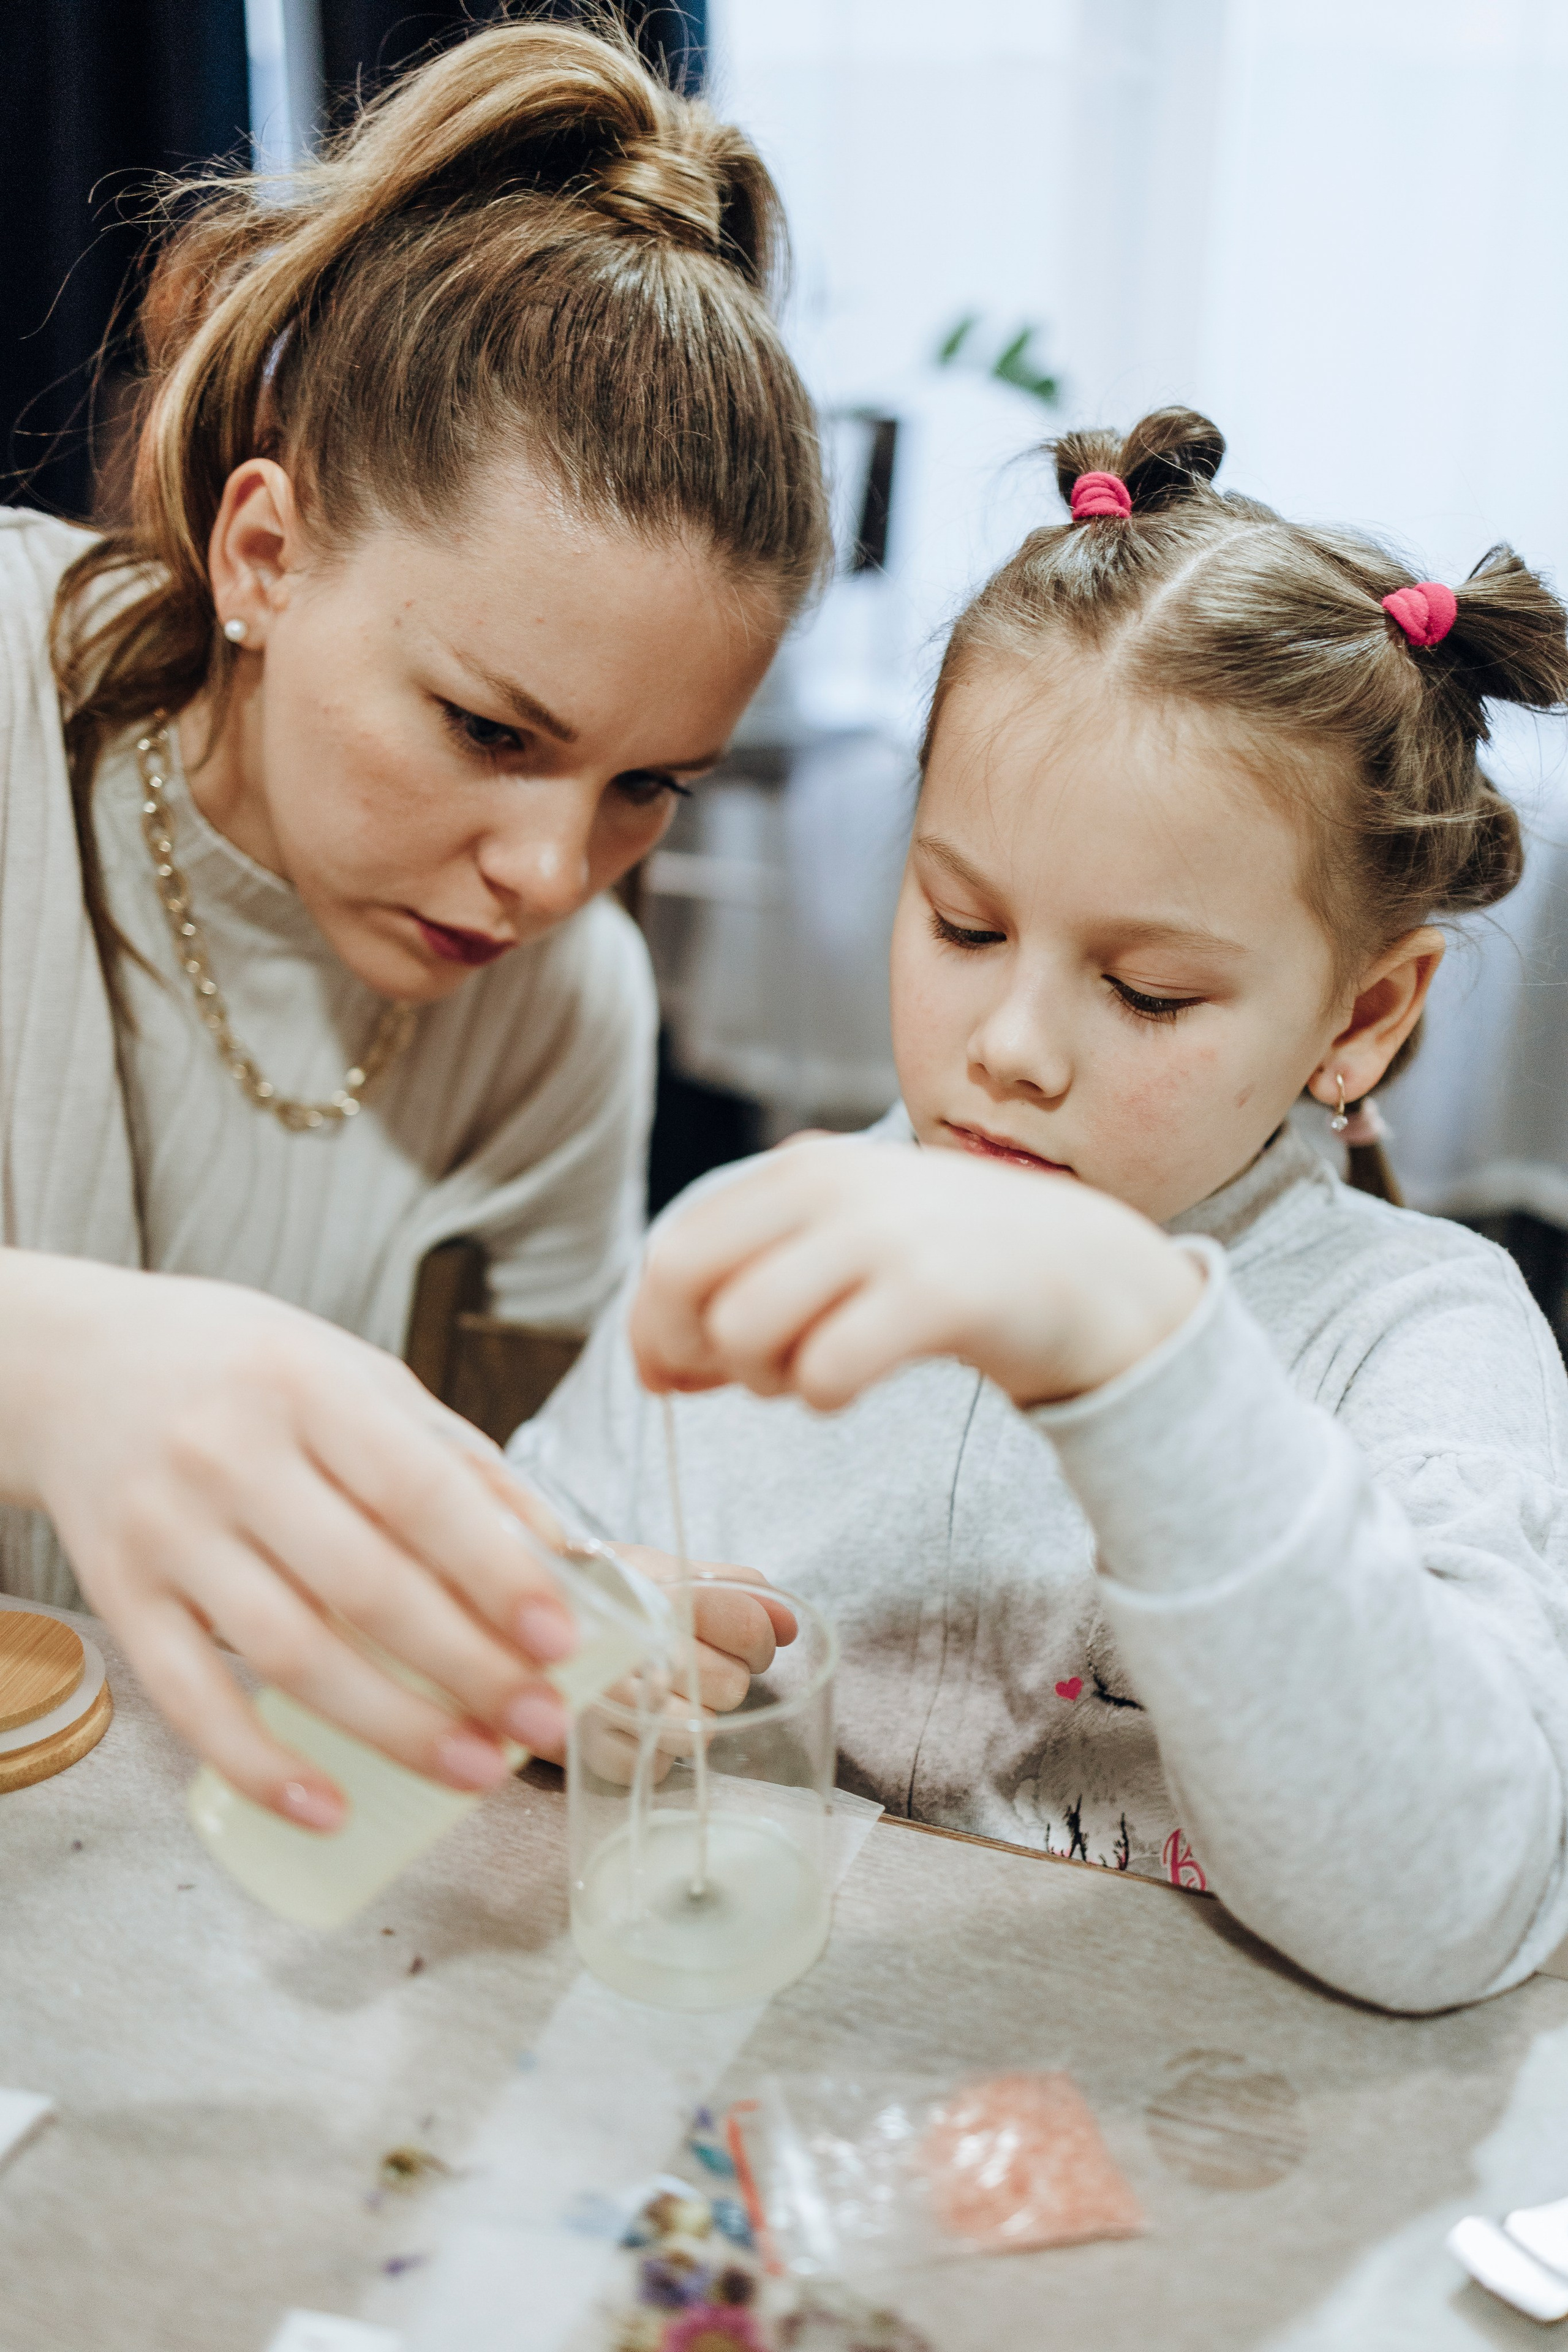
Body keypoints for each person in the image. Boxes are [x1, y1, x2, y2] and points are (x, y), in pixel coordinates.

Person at [511, 408, 1568, 2013]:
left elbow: (1451, 1908)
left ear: (1361, 1018)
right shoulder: (750, 1241)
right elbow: (527, 1590)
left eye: (1145, 994)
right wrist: (573, 1658)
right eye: (961, 923)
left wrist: (1140, 1356)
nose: (1010, 1047)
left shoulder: (1419, 1339)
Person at [0, 20, 827, 1829]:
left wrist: (530, 1633)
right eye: (487, 731)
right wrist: (48, 1358)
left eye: (645, 787)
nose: (549, 876)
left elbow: (434, 1550)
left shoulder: (564, 1020)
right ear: (264, 554)